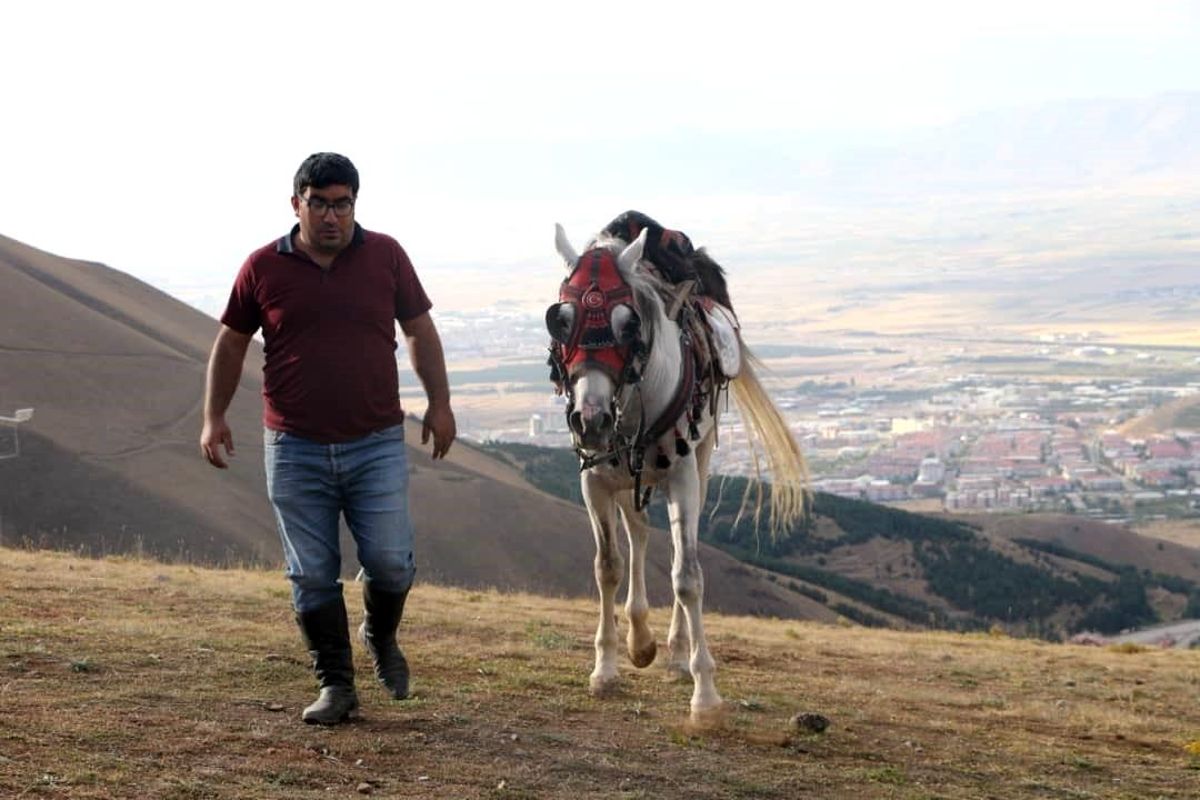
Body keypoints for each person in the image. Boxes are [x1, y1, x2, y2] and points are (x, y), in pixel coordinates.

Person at [200, 152, 456, 725]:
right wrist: (213, 416)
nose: (332, 216)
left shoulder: (385, 255)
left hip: (376, 443)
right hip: (293, 448)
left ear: (354, 205)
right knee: (311, 573)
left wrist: (440, 403)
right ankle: (336, 685)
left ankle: (380, 636)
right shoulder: (263, 266)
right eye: (320, 204)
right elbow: (231, 343)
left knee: (390, 563)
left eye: (343, 204)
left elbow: (418, 330)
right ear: (298, 205)